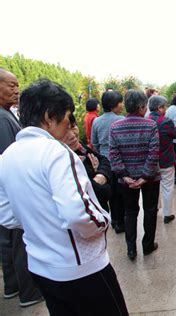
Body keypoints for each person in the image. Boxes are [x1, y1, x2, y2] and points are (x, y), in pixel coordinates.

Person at [0, 79, 128, 315]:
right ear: (49, 117)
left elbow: (6, 215)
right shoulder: (56, 152)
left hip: (41, 267)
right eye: (67, 117)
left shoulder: (7, 156)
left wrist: (41, 223)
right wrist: (103, 221)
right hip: (81, 268)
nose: (69, 126)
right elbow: (78, 214)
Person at [0, 68, 43, 308]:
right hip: (13, 194)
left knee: (9, 242)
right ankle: (29, 293)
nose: (16, 90)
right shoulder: (3, 119)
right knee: (19, 242)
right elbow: (11, 160)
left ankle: (12, 286)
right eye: (10, 85)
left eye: (17, 85)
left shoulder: (6, 115)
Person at [109, 90, 160, 261]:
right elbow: (154, 153)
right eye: (145, 106)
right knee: (150, 210)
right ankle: (147, 245)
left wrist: (124, 176)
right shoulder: (150, 125)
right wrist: (145, 176)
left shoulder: (115, 127)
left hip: (127, 181)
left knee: (130, 213)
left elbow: (113, 154)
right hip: (150, 179)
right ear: (140, 107)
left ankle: (131, 249)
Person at [92, 91, 125, 233]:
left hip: (104, 164)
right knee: (121, 193)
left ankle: (114, 219)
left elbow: (94, 142)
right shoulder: (121, 120)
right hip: (119, 161)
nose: (122, 105)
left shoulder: (97, 121)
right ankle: (120, 223)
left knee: (111, 193)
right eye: (120, 102)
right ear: (113, 105)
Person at [62, 118, 111, 211]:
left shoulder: (80, 148)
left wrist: (100, 174)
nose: (72, 135)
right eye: (64, 132)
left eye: (73, 127)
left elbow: (104, 160)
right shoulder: (64, 162)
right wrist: (98, 176)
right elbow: (103, 192)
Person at [148, 96, 176, 224]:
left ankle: (155, 207)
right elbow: (175, 134)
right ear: (159, 108)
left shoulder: (146, 120)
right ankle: (167, 214)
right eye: (164, 107)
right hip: (165, 159)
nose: (165, 109)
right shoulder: (165, 122)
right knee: (167, 186)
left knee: (154, 186)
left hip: (151, 161)